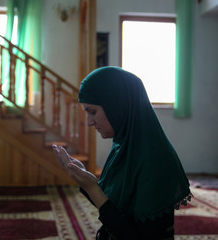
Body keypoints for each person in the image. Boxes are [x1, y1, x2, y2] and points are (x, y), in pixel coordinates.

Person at [52, 66, 192, 240]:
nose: (89, 122)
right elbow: (113, 209)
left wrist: (92, 187)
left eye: (92, 112)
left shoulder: (154, 161)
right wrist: (85, 182)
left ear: (116, 106)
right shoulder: (124, 146)